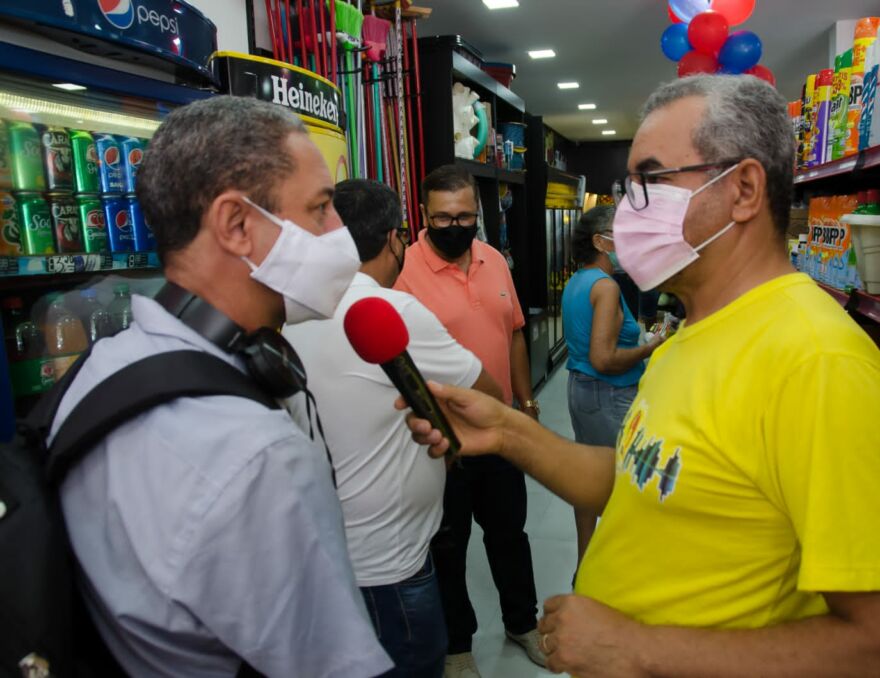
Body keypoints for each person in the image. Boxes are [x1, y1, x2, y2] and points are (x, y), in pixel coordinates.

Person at [401, 75, 880, 677]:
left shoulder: (818, 364)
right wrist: (506, 430)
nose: (629, 208)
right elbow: (644, 478)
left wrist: (635, 648)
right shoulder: (694, 332)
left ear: (742, 189)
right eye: (627, 185)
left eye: (650, 181)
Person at [50, 97, 393, 677]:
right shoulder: (257, 457)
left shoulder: (101, 367)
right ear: (237, 225)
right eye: (321, 209)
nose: (340, 234)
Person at [283, 179, 503, 677]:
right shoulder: (392, 310)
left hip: (324, 546)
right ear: (393, 238)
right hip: (390, 560)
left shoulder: (295, 312)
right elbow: (488, 396)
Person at [395, 165, 544, 676]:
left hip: (502, 431)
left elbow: (516, 334)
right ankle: (458, 645)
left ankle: (523, 624)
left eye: (465, 216)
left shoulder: (495, 260)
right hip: (443, 441)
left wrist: (526, 405)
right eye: (443, 217)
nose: (455, 226)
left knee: (511, 535)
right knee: (448, 546)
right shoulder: (403, 272)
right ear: (422, 214)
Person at [562, 205, 661, 568]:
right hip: (608, 394)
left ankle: (585, 567)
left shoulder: (578, 280)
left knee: (588, 482)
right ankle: (616, 572)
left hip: (581, 391)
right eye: (619, 234)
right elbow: (604, 358)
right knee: (624, 489)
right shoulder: (604, 287)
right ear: (600, 242)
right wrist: (650, 347)